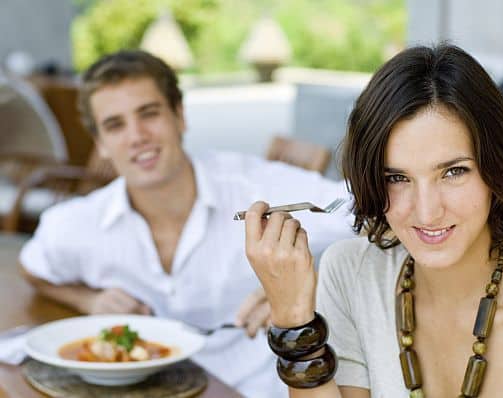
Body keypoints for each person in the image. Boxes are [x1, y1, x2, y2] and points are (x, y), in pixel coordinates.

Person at [243, 44, 503, 397]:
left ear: (497, 168)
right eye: (397, 178)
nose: (427, 212)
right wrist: (293, 321)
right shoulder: (352, 275)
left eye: (453, 172)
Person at [19, 50, 352, 398]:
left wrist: (301, 293)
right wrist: (88, 300)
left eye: (149, 114)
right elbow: (32, 266)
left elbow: (370, 213)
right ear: (100, 144)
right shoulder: (80, 224)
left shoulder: (252, 185)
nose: (137, 136)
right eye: (115, 125)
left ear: (180, 117)